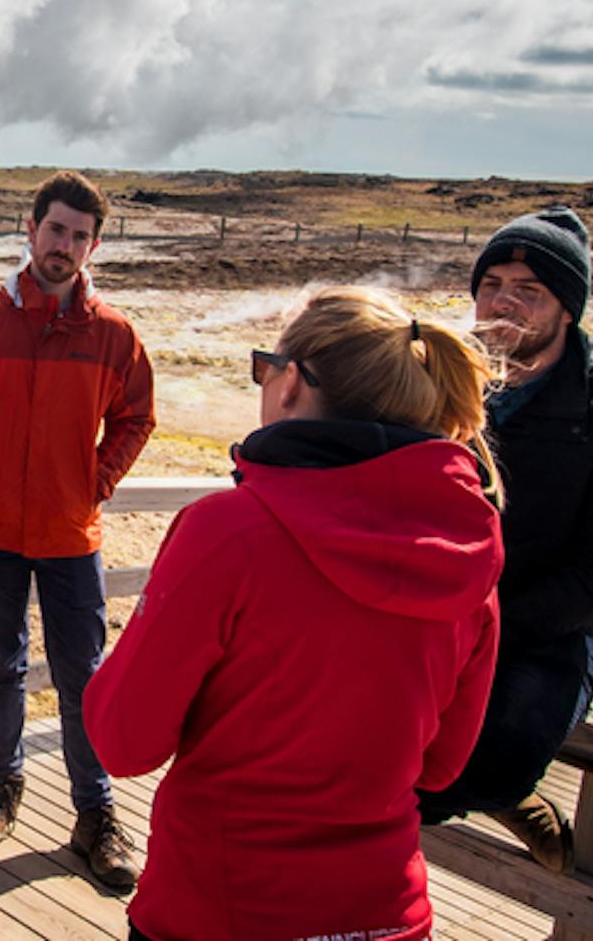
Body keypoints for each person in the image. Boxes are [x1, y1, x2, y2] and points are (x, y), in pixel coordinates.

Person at [82, 286, 503, 941]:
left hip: (222, 909)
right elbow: (443, 766)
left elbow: (123, 740)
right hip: (384, 914)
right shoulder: (467, 552)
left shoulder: (228, 532)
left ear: (292, 386)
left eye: (264, 365)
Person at [418, 206, 593, 872]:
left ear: (568, 310)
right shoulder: (445, 391)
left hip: (551, 627)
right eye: (492, 283)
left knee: (499, 749)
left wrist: (495, 621)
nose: (502, 303)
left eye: (528, 291)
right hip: (443, 602)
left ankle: (503, 799)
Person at [0, 171, 155, 889]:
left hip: (69, 533)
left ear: (94, 245)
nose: (65, 246)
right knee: (2, 663)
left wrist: (96, 481)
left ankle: (96, 811)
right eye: (56, 230)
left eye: (80, 236)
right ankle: (3, 786)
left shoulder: (113, 335)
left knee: (83, 674)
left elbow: (136, 417)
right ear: (30, 229)